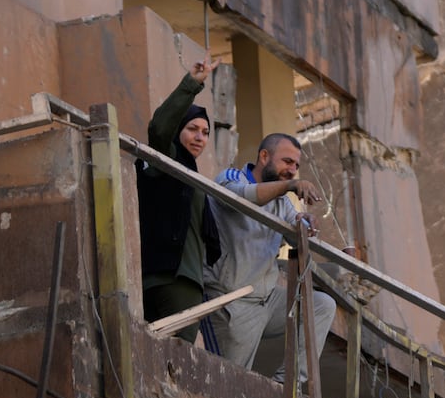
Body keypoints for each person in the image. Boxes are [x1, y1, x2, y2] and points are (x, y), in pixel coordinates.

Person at [205, 132, 336, 381]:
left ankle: (287, 384)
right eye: (287, 161)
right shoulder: (231, 177)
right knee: (229, 384)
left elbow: (294, 235)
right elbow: (242, 198)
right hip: (232, 303)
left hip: (266, 300)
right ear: (264, 156)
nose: (293, 170)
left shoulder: (281, 202)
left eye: (296, 165)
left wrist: (304, 223)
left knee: (321, 305)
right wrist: (289, 187)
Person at [138, 59, 222, 342]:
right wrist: (192, 84)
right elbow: (159, 128)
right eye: (192, 129)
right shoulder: (168, 159)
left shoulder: (190, 173)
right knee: (177, 360)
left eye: (205, 132)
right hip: (175, 281)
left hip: (177, 279)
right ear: (178, 131)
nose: (200, 137)